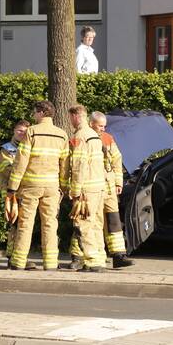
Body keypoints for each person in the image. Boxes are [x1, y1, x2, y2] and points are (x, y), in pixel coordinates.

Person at [6, 100, 69, 270]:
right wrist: (63, 187)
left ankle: (18, 262)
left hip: (31, 186)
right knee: (50, 224)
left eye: (35, 112)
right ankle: (50, 263)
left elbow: (21, 161)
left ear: (41, 113)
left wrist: (12, 186)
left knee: (25, 224)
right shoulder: (62, 134)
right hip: (52, 187)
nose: (33, 115)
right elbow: (65, 164)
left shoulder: (32, 132)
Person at [65, 106, 109, 272]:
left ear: (76, 116)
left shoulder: (80, 137)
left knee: (83, 224)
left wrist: (75, 191)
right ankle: (100, 258)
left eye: (70, 117)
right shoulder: (95, 136)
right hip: (98, 188)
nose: (70, 121)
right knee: (97, 224)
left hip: (86, 189)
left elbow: (78, 165)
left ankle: (92, 261)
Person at [89, 111, 133, 268]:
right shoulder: (84, 137)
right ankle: (96, 256)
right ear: (91, 124)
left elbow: (116, 159)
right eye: (100, 125)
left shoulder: (108, 138)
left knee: (114, 220)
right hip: (93, 187)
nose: (103, 128)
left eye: (104, 126)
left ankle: (118, 255)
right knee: (94, 221)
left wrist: (118, 182)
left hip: (108, 187)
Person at [0, 119, 30, 258]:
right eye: (19, 131)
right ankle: (12, 255)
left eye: (25, 132)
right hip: (11, 191)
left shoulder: (30, 147)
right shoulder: (6, 149)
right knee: (14, 224)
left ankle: (20, 254)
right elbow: (6, 169)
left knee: (25, 224)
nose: (22, 134)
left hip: (27, 190)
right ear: (14, 131)